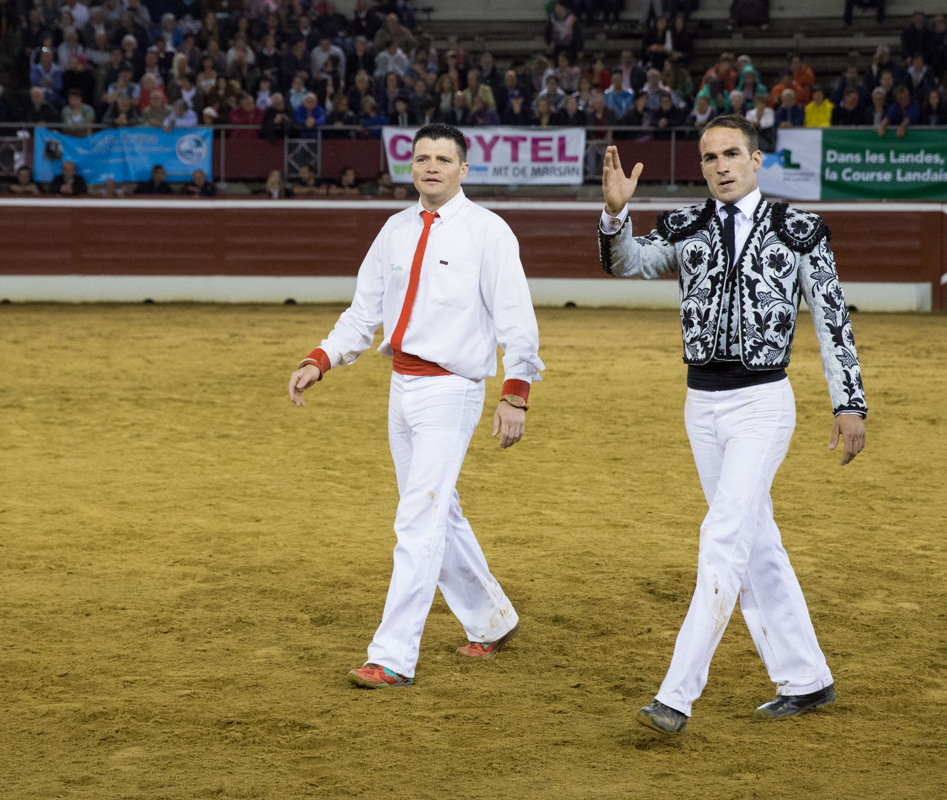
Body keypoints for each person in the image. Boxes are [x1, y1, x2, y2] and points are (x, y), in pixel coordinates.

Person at [597, 114, 866, 733]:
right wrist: (615, 218)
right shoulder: (687, 224)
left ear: (756, 160)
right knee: (755, 540)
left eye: (731, 154)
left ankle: (676, 694)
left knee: (722, 536)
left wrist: (848, 400)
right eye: (709, 157)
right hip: (702, 404)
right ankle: (806, 678)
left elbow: (832, 318)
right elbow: (628, 264)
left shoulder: (800, 230)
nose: (720, 165)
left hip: (762, 404)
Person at [287, 123, 543, 690]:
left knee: (418, 519)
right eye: (422, 158)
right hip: (401, 386)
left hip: (452, 391)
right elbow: (363, 312)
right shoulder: (395, 229)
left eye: (444, 159)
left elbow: (516, 321)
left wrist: (515, 392)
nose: (432, 167)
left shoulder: (489, 232)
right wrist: (321, 359)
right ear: (411, 166)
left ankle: (394, 655)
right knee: (436, 510)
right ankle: (492, 618)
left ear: (464, 169)